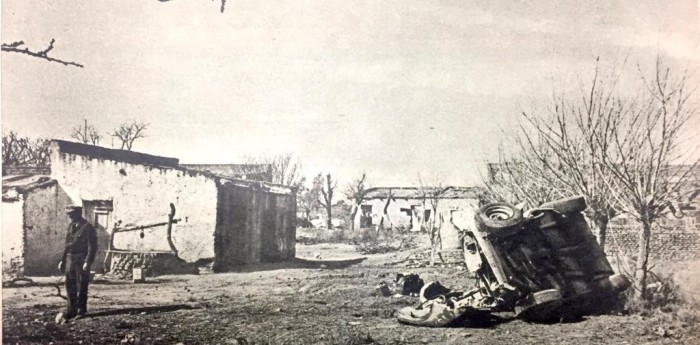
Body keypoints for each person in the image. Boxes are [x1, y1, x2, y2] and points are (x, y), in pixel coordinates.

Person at [58, 205, 98, 320]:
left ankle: (81, 310)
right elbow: (67, 245)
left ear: (78, 214)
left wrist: (88, 261)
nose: (70, 217)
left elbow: (92, 246)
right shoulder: (71, 226)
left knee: (81, 285)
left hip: (81, 259)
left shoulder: (88, 227)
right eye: (69, 214)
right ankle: (71, 310)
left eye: (72, 214)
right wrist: (63, 260)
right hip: (70, 259)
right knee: (70, 285)